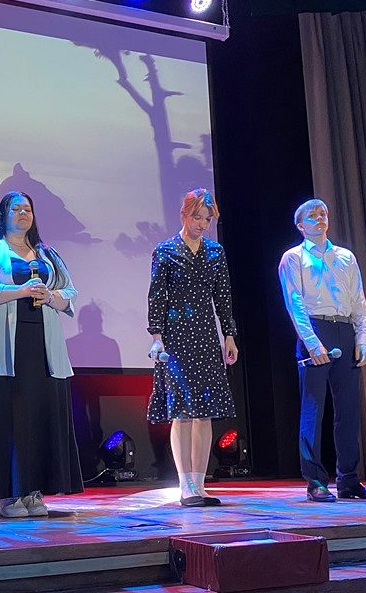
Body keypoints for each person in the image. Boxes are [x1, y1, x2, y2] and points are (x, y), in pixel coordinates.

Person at [0, 191, 83, 518]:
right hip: (2, 348)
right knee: (8, 418)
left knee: (39, 416)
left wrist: (50, 296)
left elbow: (70, 291)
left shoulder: (47, 253)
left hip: (42, 345)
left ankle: (34, 491)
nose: (22, 213)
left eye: (27, 209)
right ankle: (9, 495)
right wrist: (21, 291)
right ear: (3, 215)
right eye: (15, 209)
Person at [278, 199, 366, 502]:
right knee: (313, 410)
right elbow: (295, 303)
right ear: (300, 226)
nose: (319, 218)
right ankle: (315, 480)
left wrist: (363, 338)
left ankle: (349, 480)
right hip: (315, 328)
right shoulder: (293, 258)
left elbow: (358, 300)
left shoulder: (345, 257)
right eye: (312, 215)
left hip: (344, 329)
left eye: (323, 213)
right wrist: (312, 342)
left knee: (349, 411)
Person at [147, 188, 239, 507]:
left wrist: (229, 335)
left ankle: (200, 484)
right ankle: (185, 485)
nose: (202, 224)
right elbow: (156, 295)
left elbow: (223, 296)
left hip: (205, 335)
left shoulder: (215, 252)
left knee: (205, 412)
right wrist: (156, 335)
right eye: (197, 217)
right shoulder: (165, 250)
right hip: (176, 337)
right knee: (183, 412)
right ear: (184, 215)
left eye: (207, 219)